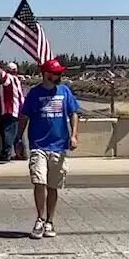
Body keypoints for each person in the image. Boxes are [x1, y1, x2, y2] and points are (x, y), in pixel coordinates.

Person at [16, 58, 80, 239]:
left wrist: (74, 135)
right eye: (56, 73)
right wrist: (18, 139)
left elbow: (74, 113)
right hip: (38, 145)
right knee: (39, 181)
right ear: (46, 74)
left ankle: (50, 221)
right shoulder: (34, 94)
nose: (59, 75)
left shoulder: (65, 91)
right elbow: (24, 117)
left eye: (60, 72)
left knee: (53, 186)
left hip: (59, 146)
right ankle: (40, 218)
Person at [0, 59, 26, 161]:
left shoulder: (9, 78)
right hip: (18, 110)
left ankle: (6, 154)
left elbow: (1, 73)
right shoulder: (17, 79)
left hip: (9, 110)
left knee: (7, 133)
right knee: (16, 134)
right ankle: (21, 154)